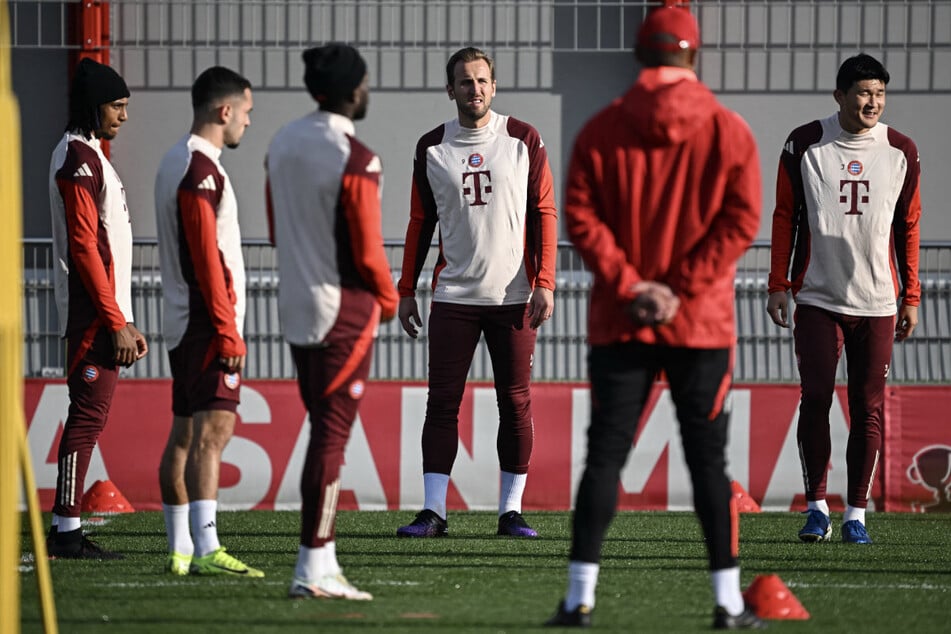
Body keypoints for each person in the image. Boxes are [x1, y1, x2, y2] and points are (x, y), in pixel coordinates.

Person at [545, 6, 765, 629]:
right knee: (708, 464)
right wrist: (679, 288)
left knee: (606, 457)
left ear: (640, 55)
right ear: (693, 56)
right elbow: (741, 219)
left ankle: (578, 597)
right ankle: (726, 603)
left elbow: (582, 216)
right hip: (701, 323)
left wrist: (631, 283)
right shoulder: (728, 129)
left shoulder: (601, 128)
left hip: (621, 318)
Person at [395, 46, 558, 539]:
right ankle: (433, 512)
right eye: (465, 82)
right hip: (453, 298)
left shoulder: (523, 139)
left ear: (494, 85)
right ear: (451, 90)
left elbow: (544, 214)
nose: (475, 90)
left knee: (515, 403)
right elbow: (419, 223)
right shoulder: (431, 147)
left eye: (483, 81)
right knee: (442, 404)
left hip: (513, 297)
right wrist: (406, 290)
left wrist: (545, 282)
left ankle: (511, 512)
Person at [767, 53, 921, 545]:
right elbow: (785, 216)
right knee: (815, 398)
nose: (871, 101)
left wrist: (911, 295)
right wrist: (777, 284)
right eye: (862, 92)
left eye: (878, 93)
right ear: (840, 96)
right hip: (816, 297)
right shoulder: (805, 143)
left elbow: (909, 227)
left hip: (878, 302)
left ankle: (856, 514)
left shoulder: (901, 150)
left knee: (867, 407)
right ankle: (816, 510)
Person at [265, 43, 398, 600]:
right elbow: (367, 249)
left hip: (295, 303)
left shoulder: (282, 141)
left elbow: (275, 228)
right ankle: (313, 566)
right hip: (341, 308)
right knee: (332, 436)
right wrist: (389, 299)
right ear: (352, 89)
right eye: (365, 82)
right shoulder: (356, 156)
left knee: (323, 431)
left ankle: (323, 560)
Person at [154, 66, 262, 577]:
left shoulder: (176, 161)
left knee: (183, 435)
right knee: (213, 433)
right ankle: (206, 547)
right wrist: (226, 328)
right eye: (246, 112)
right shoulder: (201, 169)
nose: (247, 122)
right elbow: (206, 257)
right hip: (205, 323)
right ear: (225, 111)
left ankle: (178, 550)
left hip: (184, 319)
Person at [47, 57, 149, 559]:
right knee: (86, 419)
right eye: (117, 105)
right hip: (91, 316)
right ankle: (65, 529)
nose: (124, 116)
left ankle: (66, 525)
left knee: (89, 417)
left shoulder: (86, 155)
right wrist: (115, 321)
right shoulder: (79, 161)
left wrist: (125, 317)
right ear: (94, 105)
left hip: (102, 313)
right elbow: (87, 249)